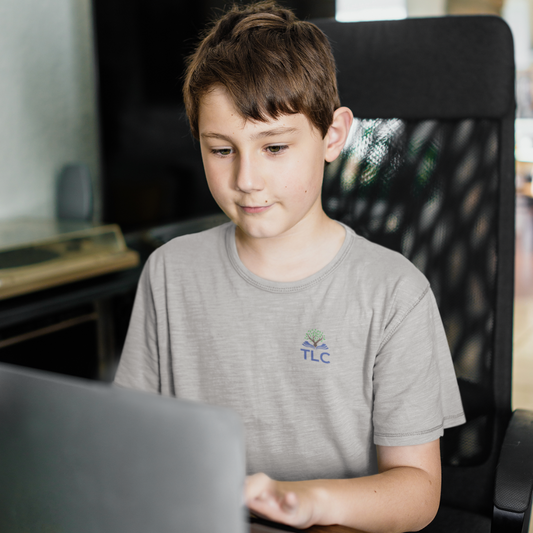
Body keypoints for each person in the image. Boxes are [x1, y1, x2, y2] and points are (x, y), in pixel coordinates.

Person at [114, 2, 466, 531]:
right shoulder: (169, 273)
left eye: (274, 146)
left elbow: (417, 491)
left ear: (332, 134)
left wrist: (307, 503)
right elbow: (130, 440)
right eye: (221, 149)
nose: (247, 179)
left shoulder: (395, 294)